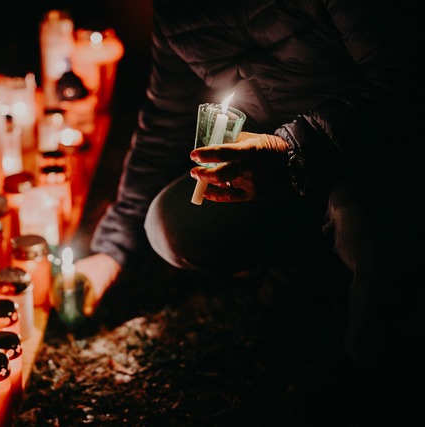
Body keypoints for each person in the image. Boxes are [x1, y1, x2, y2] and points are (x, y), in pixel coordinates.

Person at [75, 0, 424, 380]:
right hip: (276, 157)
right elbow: (162, 123)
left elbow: (404, 79)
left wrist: (291, 150)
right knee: (174, 223)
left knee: (362, 221)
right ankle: (306, 256)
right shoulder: (178, 11)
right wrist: (111, 250)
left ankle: (381, 379)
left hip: (373, 147)